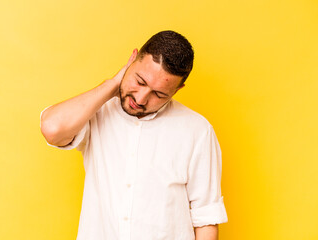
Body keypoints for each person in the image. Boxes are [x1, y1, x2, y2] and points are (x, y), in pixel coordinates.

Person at [40, 30, 228, 240]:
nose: (140, 98)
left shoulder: (197, 130)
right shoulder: (97, 112)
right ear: (131, 61)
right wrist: (111, 84)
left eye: (159, 94)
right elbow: (52, 129)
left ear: (177, 90)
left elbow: (206, 219)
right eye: (139, 81)